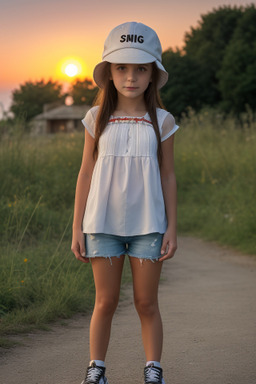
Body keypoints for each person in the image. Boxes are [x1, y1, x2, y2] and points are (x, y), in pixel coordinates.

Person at [71, 21, 179, 384]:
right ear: (109, 73)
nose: (131, 76)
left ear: (153, 74)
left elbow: (168, 176)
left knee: (146, 304)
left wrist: (171, 228)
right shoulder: (95, 118)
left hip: (149, 225)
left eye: (140, 68)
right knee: (105, 302)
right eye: (122, 67)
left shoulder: (162, 122)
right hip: (102, 225)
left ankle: (153, 371)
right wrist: (77, 228)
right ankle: (96, 370)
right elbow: (85, 173)